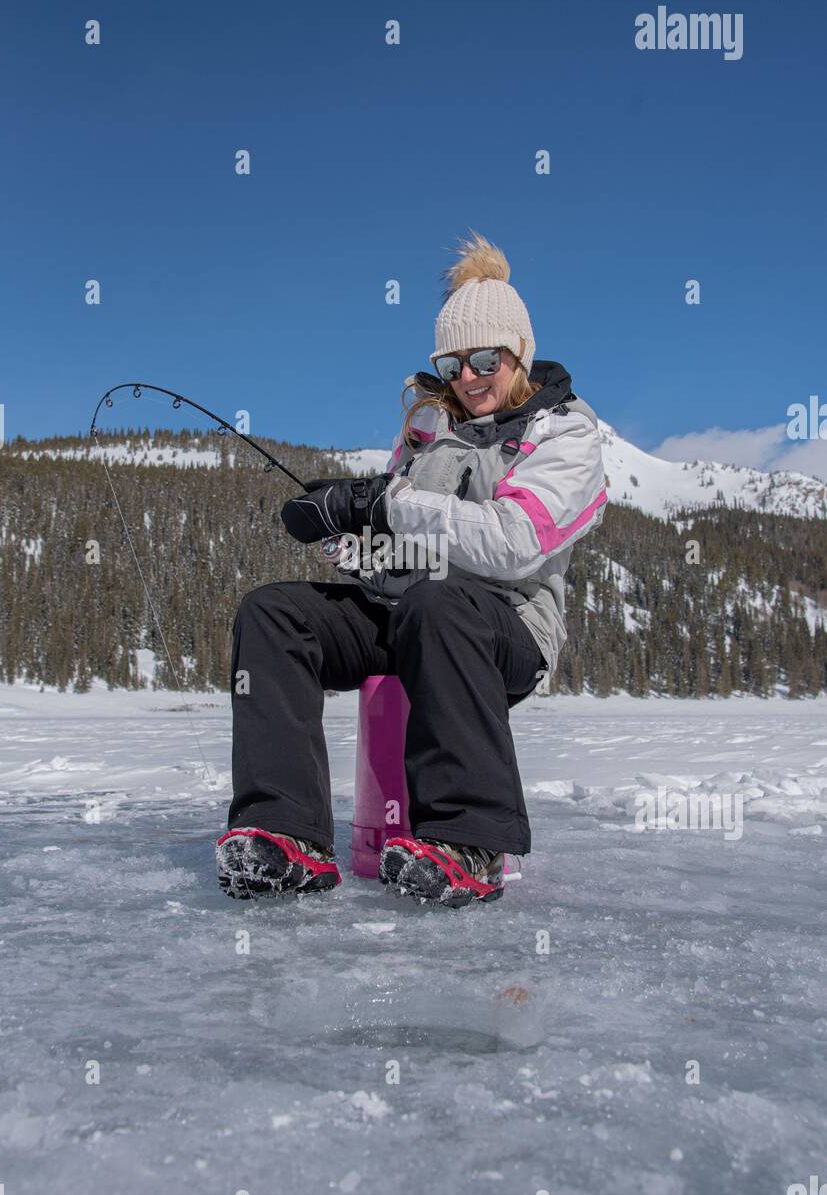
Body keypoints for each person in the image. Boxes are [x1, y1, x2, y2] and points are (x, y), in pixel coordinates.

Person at [216, 232, 606, 907]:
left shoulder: (564, 436)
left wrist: (384, 503)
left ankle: (468, 842)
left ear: (520, 353)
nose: (468, 375)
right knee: (275, 612)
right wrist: (352, 544)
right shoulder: (430, 436)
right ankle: (285, 836)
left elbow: (513, 544)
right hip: (412, 614)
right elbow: (406, 556)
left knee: (440, 603)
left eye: (485, 358)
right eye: (451, 362)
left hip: (506, 631)